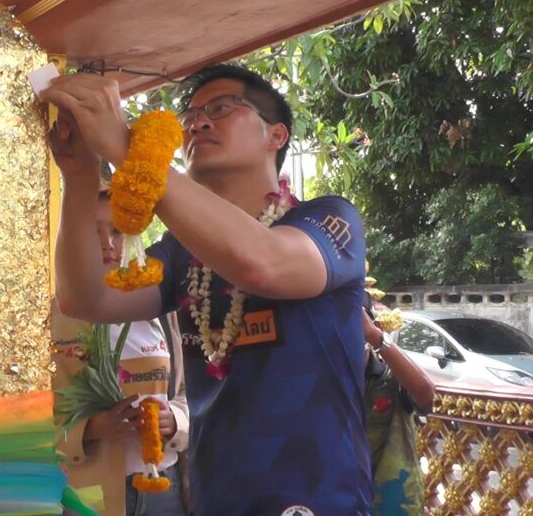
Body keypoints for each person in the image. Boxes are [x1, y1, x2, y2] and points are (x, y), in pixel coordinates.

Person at [42, 63, 372, 515]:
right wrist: (80, 178)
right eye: (191, 115)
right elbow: (86, 298)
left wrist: (129, 150)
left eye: (221, 108)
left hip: (318, 500)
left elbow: (262, 264)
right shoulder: (183, 255)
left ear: (276, 135)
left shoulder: (328, 220)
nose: (197, 124)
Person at [52, 185, 190, 516]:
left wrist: (177, 421)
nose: (107, 243)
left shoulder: (163, 308)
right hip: (91, 495)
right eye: (93, 232)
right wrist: (91, 429)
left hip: (165, 491)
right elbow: (30, 415)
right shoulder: (55, 318)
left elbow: (193, 391)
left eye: (116, 231)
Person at [362, 300, 435, 516]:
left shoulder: (390, 376)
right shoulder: (323, 380)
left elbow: (425, 394)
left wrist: (375, 337)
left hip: (393, 503)